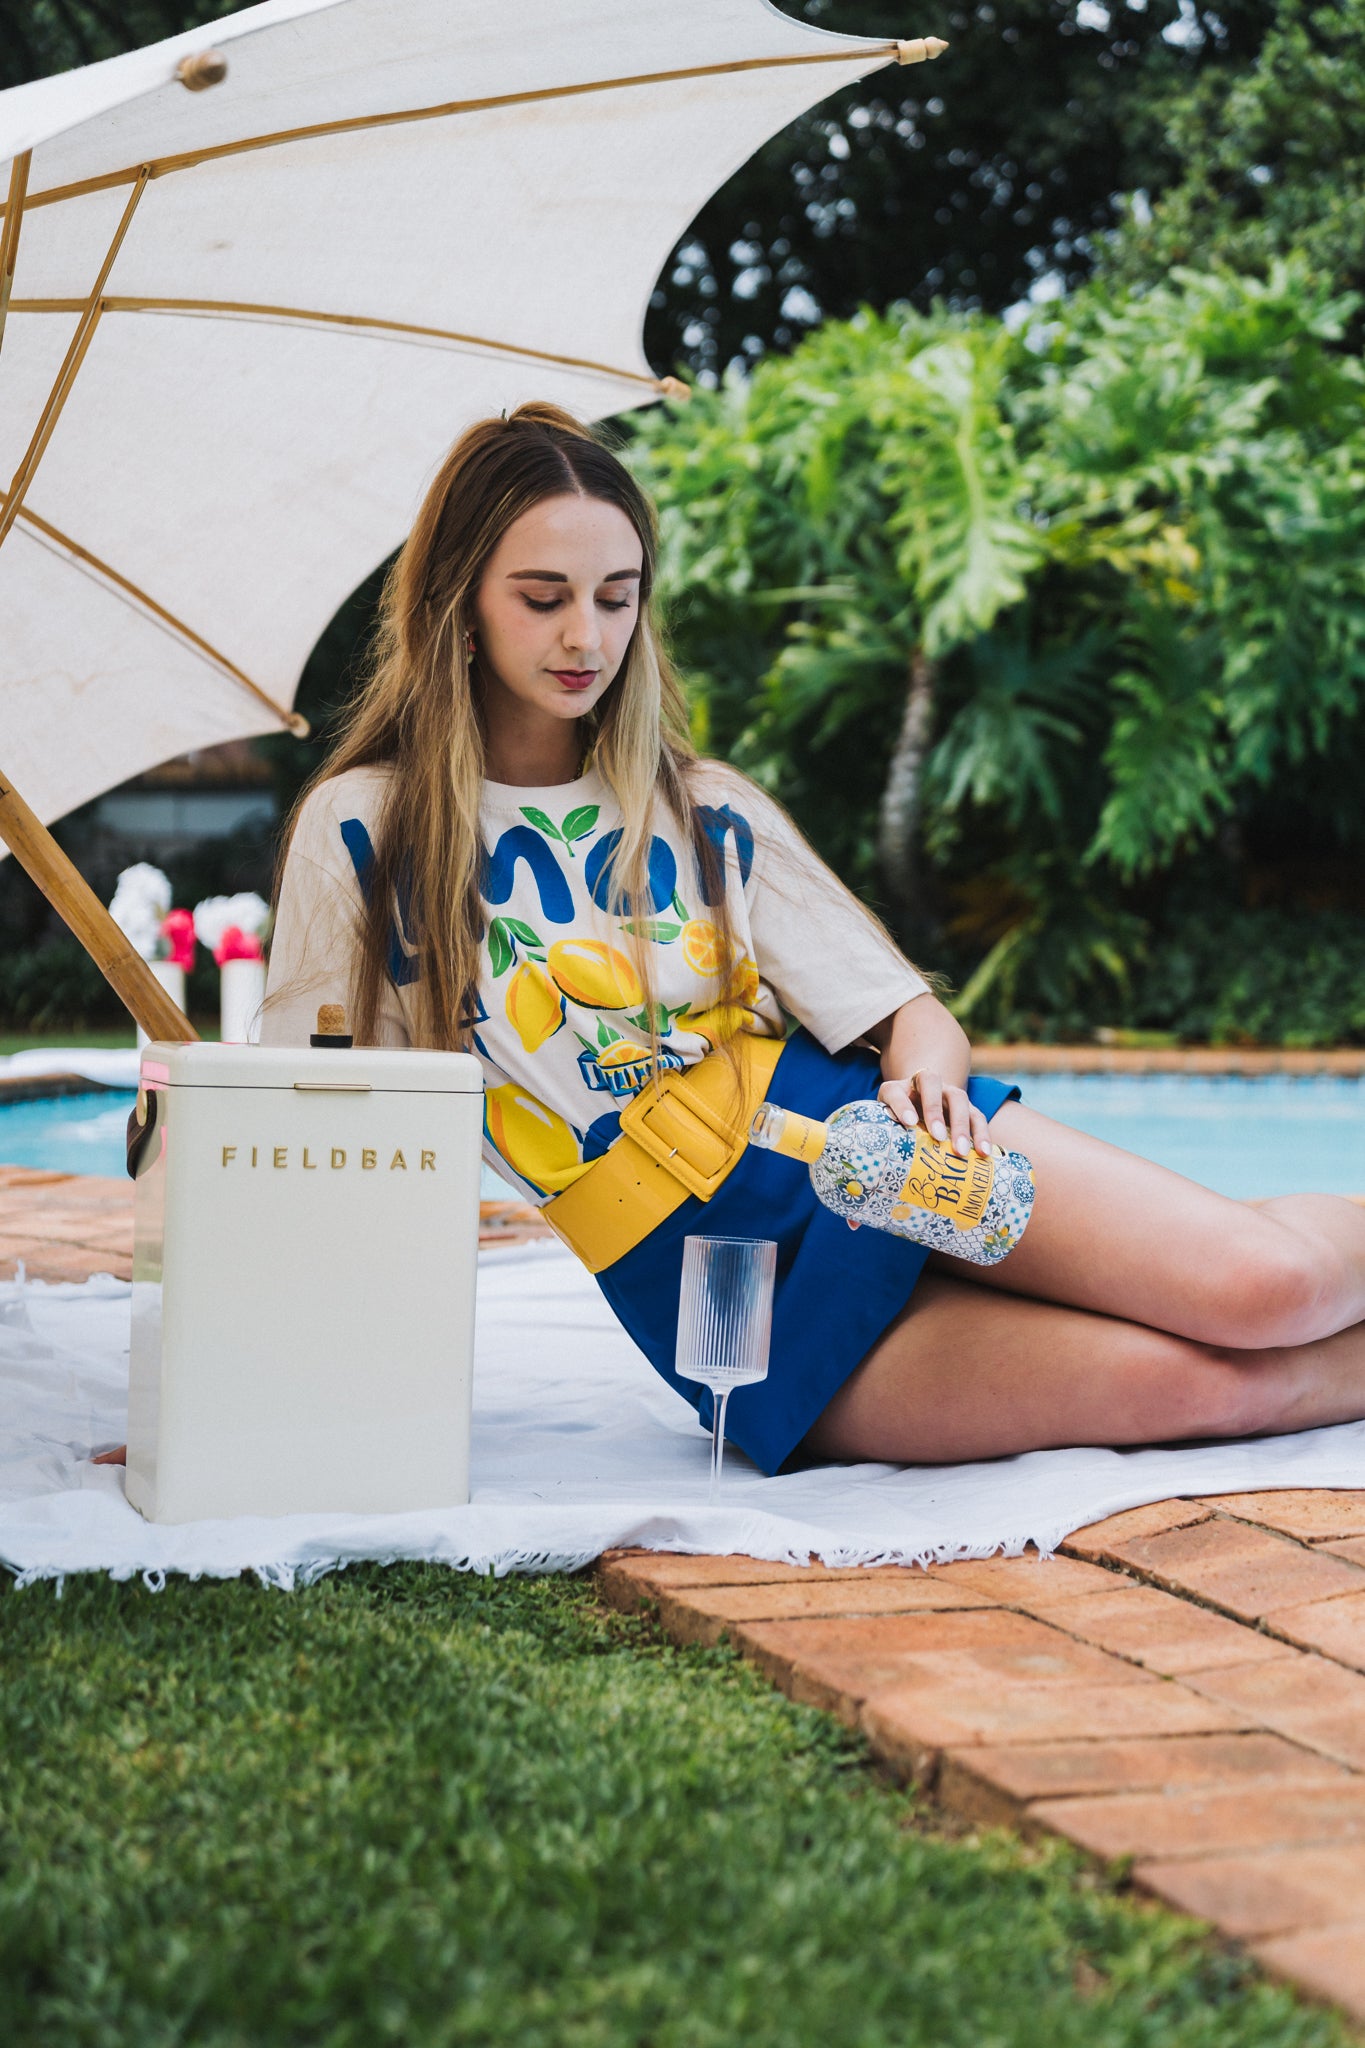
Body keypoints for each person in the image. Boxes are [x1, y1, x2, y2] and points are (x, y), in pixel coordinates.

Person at [262, 403, 1365, 1476]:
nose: (585, 636)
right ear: (458, 600)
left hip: (874, 1155)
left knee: (1267, 1290)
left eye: (616, 597)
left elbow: (910, 1016)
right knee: (1211, 1389)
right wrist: (274, 1377)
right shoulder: (362, 833)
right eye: (542, 597)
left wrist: (930, 1085)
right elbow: (315, 1137)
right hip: (709, 1293)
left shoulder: (702, 805)